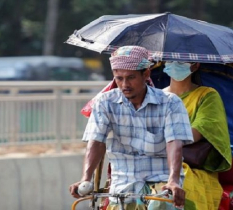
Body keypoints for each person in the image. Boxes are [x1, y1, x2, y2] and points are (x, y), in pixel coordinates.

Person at [69, 46, 194, 210]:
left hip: (161, 180)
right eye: (119, 78)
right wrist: (86, 179)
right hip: (122, 183)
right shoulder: (104, 102)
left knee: (159, 206)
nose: (124, 84)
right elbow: (96, 141)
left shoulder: (170, 102)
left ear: (146, 74)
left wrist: (173, 180)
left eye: (131, 77)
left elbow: (174, 143)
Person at [162, 61, 232, 209]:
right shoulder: (156, 97)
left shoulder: (207, 96)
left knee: (178, 188)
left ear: (195, 65)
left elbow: (193, 134)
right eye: (171, 59)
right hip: (153, 163)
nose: (175, 64)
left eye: (181, 61)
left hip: (191, 168)